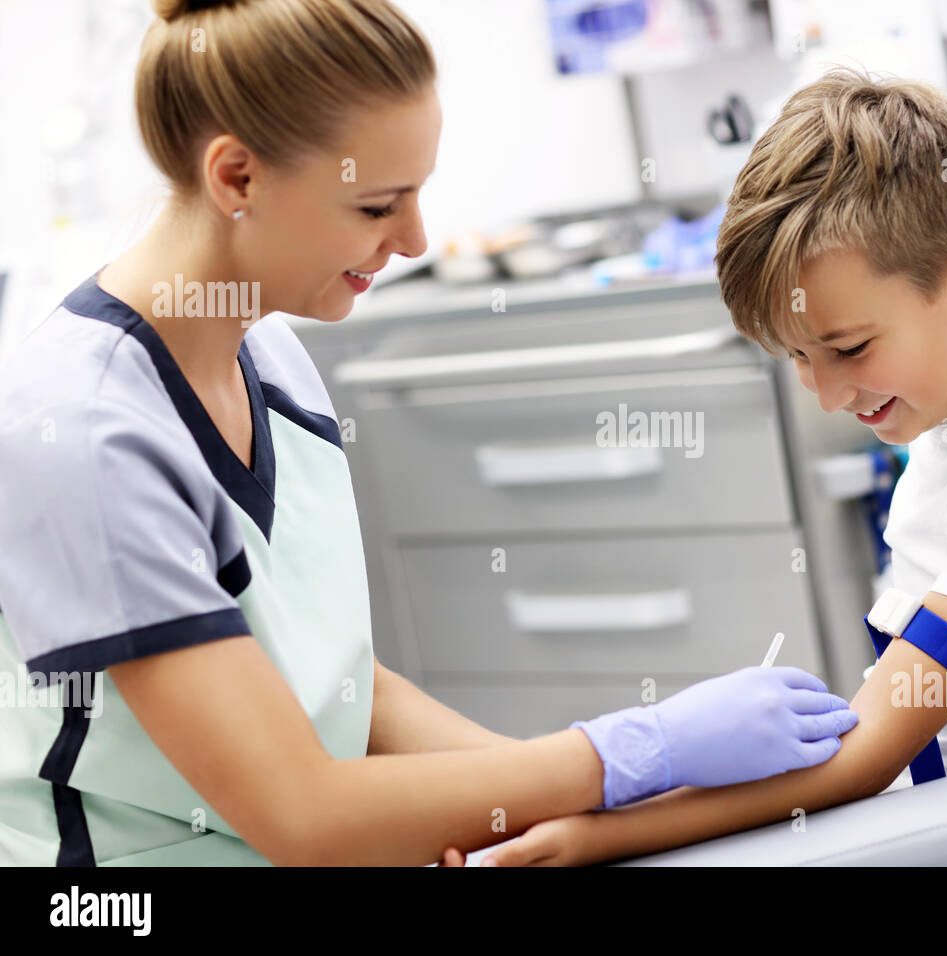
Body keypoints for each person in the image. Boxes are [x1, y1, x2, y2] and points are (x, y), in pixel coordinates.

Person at [0, 0, 860, 867]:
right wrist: (627, 753)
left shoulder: (274, 362)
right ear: (236, 178)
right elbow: (302, 815)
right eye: (378, 206)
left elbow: (335, 690)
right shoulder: (84, 436)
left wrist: (550, 807)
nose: (413, 240)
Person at [461, 68, 947, 867]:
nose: (829, 393)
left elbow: (865, 759)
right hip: (932, 823)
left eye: (850, 349)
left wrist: (595, 833)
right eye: (799, 357)